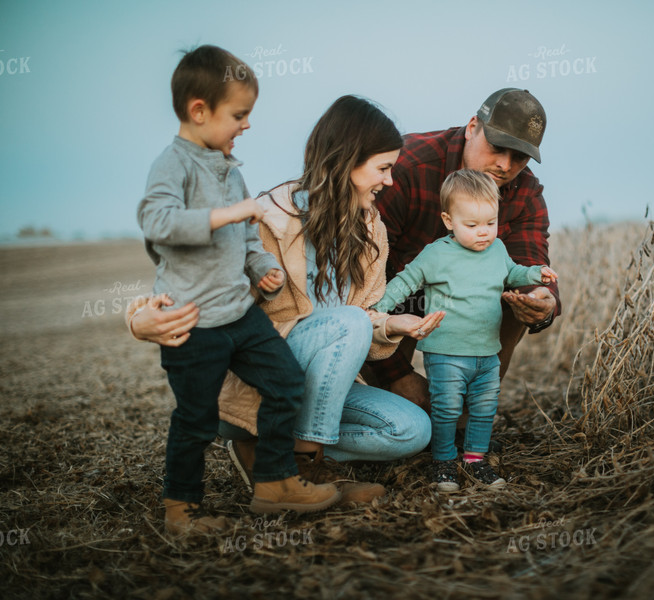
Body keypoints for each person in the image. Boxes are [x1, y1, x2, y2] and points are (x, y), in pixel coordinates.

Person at [129, 95, 440, 506]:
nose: (390, 182)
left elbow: (363, 315)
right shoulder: (268, 218)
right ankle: (300, 471)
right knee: (349, 323)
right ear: (346, 161)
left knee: (414, 430)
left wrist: (390, 325)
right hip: (262, 380)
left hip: (325, 385)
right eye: (383, 168)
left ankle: (268, 456)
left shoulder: (371, 232)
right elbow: (195, 279)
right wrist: (139, 321)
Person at [136, 45, 340, 535]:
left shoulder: (231, 168)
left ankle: (274, 482)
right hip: (193, 324)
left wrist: (262, 266)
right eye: (239, 115)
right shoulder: (173, 165)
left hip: (240, 315)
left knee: (287, 383)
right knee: (195, 419)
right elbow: (156, 220)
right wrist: (229, 214)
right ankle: (180, 510)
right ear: (199, 111)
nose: (246, 125)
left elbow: (248, 237)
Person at [368, 88, 561, 410]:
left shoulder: (525, 191)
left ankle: (467, 417)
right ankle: (394, 394)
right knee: (401, 422)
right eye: (498, 147)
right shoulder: (407, 166)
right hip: (394, 299)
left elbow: (530, 259)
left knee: (516, 297)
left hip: (468, 308)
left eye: (519, 156)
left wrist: (543, 300)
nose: (505, 164)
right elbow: (363, 272)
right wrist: (397, 375)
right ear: (473, 127)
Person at [371, 170, 557, 491]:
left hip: (487, 352)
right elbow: (406, 280)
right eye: (471, 225)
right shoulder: (437, 254)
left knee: (484, 409)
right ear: (448, 220)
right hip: (446, 352)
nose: (483, 233)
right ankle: (443, 462)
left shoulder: (496, 249)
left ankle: (475, 460)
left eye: (490, 223)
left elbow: (513, 273)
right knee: (446, 409)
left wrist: (536, 274)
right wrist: (380, 308)